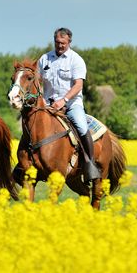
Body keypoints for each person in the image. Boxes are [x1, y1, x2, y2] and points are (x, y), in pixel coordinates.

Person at [37, 27, 101, 180]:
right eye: (57, 42)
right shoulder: (44, 59)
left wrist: (63, 101)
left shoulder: (76, 60)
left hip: (71, 104)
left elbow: (78, 85)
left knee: (81, 125)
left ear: (69, 42)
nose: (60, 45)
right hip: (47, 105)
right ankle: (23, 164)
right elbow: (36, 80)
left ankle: (89, 164)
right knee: (31, 125)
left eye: (63, 43)